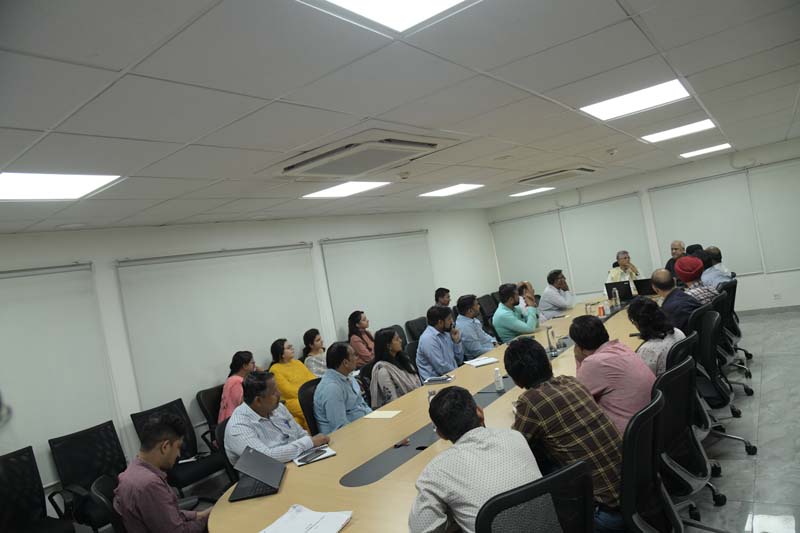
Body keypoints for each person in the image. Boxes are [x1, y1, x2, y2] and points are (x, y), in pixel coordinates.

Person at [505, 337, 624, 532]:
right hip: (634, 493)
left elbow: (514, 448)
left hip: (604, 515)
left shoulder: (531, 402)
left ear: (516, 381)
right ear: (548, 362)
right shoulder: (571, 382)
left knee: (532, 462)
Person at [409, 386, 544, 533]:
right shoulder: (515, 436)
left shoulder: (436, 472)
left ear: (440, 434)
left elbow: (421, 529)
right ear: (479, 412)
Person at [114, 413, 211, 533]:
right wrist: (208, 519)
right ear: (165, 447)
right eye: (178, 447)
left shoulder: (132, 470)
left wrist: (199, 515)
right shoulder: (149, 485)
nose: (178, 454)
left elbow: (166, 514)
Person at [569, 316, 655, 435]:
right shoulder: (621, 347)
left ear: (579, 346)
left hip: (629, 436)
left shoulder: (594, 363)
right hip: (650, 426)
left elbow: (578, 398)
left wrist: (579, 360)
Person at [224, 371, 329, 464]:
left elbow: (300, 433)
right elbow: (267, 458)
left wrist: (313, 447)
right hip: (268, 474)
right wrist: (309, 442)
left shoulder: (277, 407)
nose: (279, 393)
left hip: (296, 460)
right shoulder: (238, 427)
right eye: (274, 392)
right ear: (258, 401)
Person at [314, 342, 372, 433]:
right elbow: (340, 427)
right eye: (354, 355)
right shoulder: (332, 388)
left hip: (364, 424)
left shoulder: (348, 376)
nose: (357, 358)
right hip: (348, 434)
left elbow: (362, 404)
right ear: (345, 363)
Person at [627, 297, 686, 376]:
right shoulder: (678, 332)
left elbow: (642, 379)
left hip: (661, 383)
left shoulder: (647, 350)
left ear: (637, 323)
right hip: (681, 379)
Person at [268, 338, 316, 431]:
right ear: (281, 353)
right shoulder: (275, 369)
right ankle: (314, 434)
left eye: (291, 347)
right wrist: (307, 394)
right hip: (291, 400)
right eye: (288, 348)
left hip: (306, 395)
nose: (292, 349)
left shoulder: (298, 363)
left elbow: (311, 378)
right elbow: (287, 391)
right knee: (309, 408)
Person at [368, 328, 421, 408]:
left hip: (417, 399)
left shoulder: (403, 359)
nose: (401, 340)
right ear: (388, 346)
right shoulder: (383, 371)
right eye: (397, 339)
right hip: (403, 407)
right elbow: (392, 401)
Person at [416, 305, 464, 381]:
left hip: (452, 376)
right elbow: (441, 367)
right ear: (440, 322)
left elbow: (459, 360)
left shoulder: (445, 333)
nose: (452, 322)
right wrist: (460, 373)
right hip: (438, 382)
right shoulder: (428, 339)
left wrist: (456, 342)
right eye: (449, 319)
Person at [455, 294, 497, 360]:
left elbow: (484, 335)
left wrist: (494, 342)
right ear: (470, 311)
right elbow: (477, 352)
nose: (479, 306)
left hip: (491, 351)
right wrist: (495, 349)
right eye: (477, 305)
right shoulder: (465, 327)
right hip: (482, 358)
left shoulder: (472, 319)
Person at [218, 350, 256, 423]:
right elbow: (243, 406)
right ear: (244, 366)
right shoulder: (236, 383)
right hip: (233, 421)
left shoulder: (238, 379)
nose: (255, 365)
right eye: (252, 363)